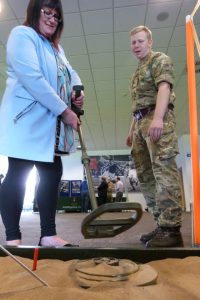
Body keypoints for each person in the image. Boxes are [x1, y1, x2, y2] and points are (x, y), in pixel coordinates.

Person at [0, 0, 84, 247]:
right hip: (25, 121)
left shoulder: (56, 48)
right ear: (35, 12)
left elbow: (70, 72)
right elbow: (33, 78)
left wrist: (78, 89)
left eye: (57, 16)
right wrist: (66, 111)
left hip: (49, 124)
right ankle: (13, 238)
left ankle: (48, 234)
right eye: (47, 12)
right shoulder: (22, 35)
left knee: (51, 172)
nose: (52, 19)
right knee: (19, 173)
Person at [126, 26, 183, 248]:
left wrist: (158, 118)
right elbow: (137, 105)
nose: (136, 46)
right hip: (140, 123)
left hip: (157, 118)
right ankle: (161, 225)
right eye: (133, 43)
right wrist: (131, 130)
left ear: (150, 41)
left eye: (140, 41)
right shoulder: (138, 71)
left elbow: (164, 88)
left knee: (163, 171)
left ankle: (172, 229)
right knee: (146, 176)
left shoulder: (160, 59)